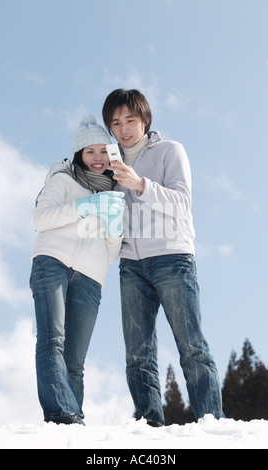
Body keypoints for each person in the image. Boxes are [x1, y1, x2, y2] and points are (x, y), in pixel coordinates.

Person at [102, 89, 224, 426]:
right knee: (137, 355)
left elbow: (182, 202)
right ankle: (149, 428)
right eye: (115, 122)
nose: (123, 128)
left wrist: (140, 184)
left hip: (172, 258)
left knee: (192, 347)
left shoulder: (171, 150)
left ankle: (212, 424)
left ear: (145, 120)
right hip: (131, 266)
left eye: (130, 120)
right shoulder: (110, 166)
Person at [30, 116, 125, 425]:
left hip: (90, 277)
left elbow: (112, 252)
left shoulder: (116, 193)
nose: (97, 159)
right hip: (52, 262)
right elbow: (41, 220)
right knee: (52, 340)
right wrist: (87, 208)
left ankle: (73, 429)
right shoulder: (62, 179)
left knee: (75, 361)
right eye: (89, 152)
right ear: (79, 155)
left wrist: (112, 224)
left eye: (103, 151)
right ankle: (63, 415)